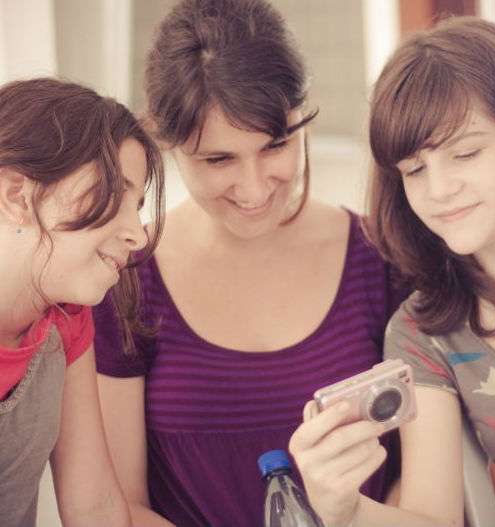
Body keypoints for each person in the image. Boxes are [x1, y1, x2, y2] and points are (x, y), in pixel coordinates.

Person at [92, 0, 402, 525]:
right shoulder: (124, 277)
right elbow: (122, 505)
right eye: (219, 159)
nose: (254, 188)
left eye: (275, 145)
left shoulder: (382, 257)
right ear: (166, 144)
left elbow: (418, 484)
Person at [290, 15, 495, 527]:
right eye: (414, 169)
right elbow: (435, 518)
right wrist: (343, 509)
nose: (438, 189)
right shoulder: (427, 334)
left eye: (466, 153)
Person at [0, 77, 164, 527]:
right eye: (115, 194)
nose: (138, 233)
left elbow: (95, 510)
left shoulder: (68, 322)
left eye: (138, 204)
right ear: (17, 195)